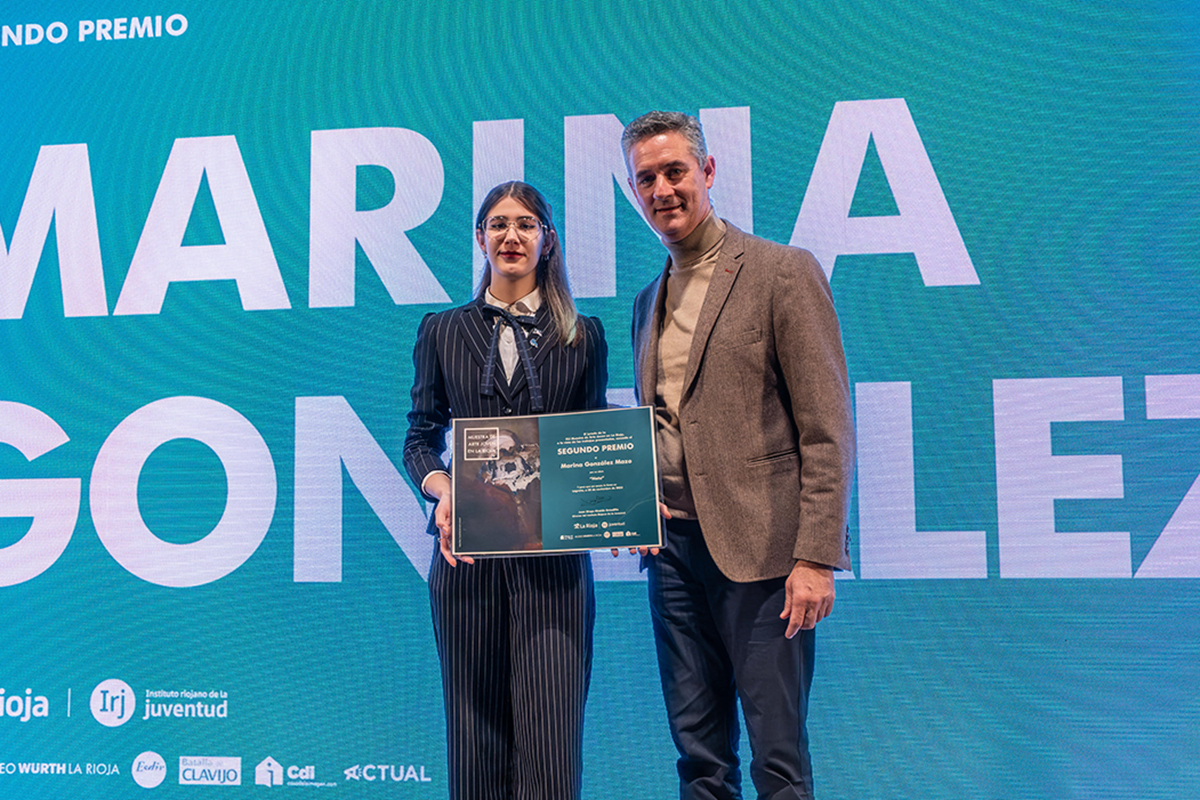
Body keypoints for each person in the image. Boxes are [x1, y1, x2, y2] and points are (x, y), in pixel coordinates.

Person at [622, 111, 854, 799]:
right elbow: (661, 424)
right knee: (699, 761)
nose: (662, 189)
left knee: (778, 763)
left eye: (674, 172)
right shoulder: (646, 301)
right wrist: (628, 508)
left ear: (708, 172)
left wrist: (815, 557)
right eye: (646, 179)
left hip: (765, 558)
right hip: (672, 557)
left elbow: (827, 428)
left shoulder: (783, 272)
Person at [403, 181, 608, 800]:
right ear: (480, 239)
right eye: (497, 224)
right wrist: (445, 492)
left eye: (525, 224)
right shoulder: (441, 330)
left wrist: (619, 502)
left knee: (550, 748)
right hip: (465, 563)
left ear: (548, 240)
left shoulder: (584, 335)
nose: (510, 235)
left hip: (555, 565)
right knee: (474, 745)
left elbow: (593, 443)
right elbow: (419, 440)